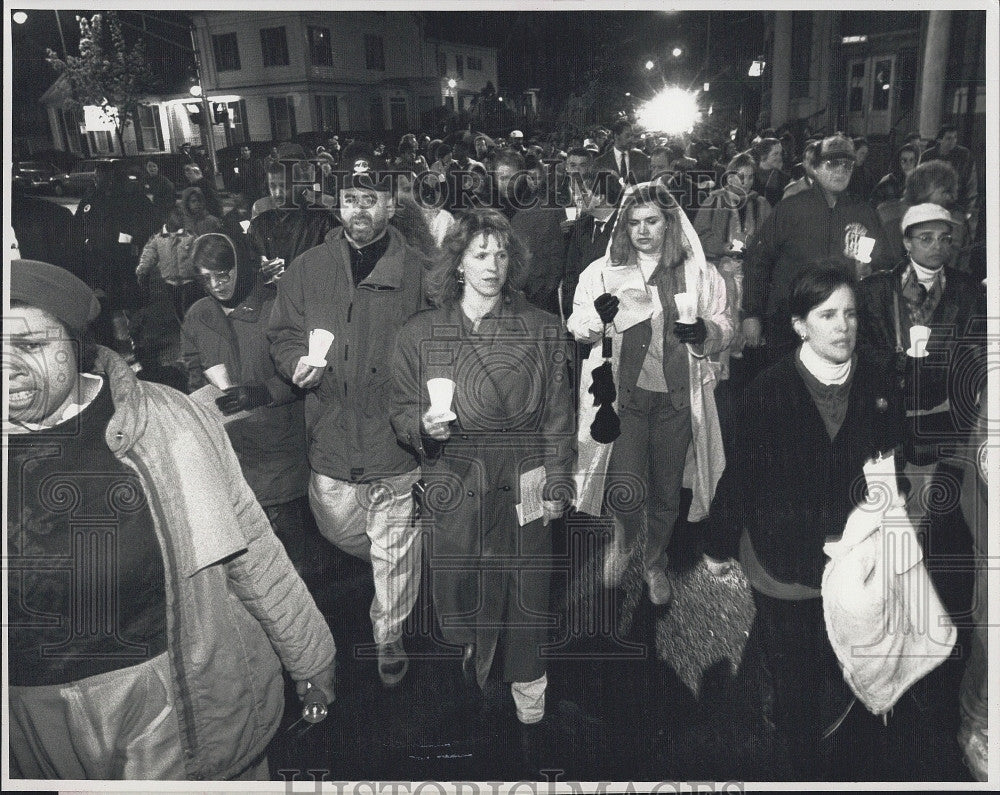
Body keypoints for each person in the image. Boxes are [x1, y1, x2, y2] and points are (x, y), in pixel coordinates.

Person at [6, 259, 335, 780]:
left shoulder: (163, 424)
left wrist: (311, 658)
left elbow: (249, 548)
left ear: (75, 344)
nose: (10, 368)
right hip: (30, 729)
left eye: (31, 346)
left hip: (178, 708)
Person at [707, 265, 903, 777]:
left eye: (851, 313)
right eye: (828, 314)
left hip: (858, 562)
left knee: (852, 671)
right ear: (800, 325)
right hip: (785, 566)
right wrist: (719, 544)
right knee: (795, 679)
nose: (844, 326)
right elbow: (743, 474)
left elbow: (892, 464)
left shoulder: (879, 380)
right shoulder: (768, 388)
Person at [390, 209, 575, 724]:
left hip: (523, 471)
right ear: (457, 265)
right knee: (458, 577)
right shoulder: (419, 333)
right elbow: (401, 408)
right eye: (480, 254)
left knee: (526, 581)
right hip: (454, 470)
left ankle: (527, 675)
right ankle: (474, 644)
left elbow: (559, 414)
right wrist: (424, 426)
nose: (493, 265)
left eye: (502, 254)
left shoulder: (541, 329)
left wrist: (559, 478)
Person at [268, 156, 430, 688]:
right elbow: (284, 332)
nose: (358, 210)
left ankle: (390, 632)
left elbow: (441, 339)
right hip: (332, 436)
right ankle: (398, 559)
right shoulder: (308, 268)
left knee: (393, 549)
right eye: (349, 200)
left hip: (393, 442)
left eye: (370, 199)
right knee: (337, 528)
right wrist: (295, 363)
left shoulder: (419, 273)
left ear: (390, 204)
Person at [567, 183, 731, 606]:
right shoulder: (602, 271)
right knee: (626, 484)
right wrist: (596, 319)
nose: (642, 231)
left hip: (677, 402)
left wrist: (708, 333)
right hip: (628, 401)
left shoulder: (698, 273)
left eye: (652, 222)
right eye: (634, 222)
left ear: (669, 222)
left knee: (665, 491)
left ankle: (655, 561)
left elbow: (723, 322)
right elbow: (577, 324)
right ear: (624, 225)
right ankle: (623, 543)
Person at [181, 233, 315, 575]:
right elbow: (193, 365)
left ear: (241, 266)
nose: (215, 286)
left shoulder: (276, 306)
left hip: (281, 448)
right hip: (233, 451)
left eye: (223, 275)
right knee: (252, 564)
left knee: (295, 558)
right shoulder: (199, 315)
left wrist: (262, 393)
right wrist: (202, 393)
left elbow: (305, 372)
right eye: (205, 278)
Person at [742, 134, 893, 363]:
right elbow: (758, 260)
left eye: (847, 165)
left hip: (841, 324)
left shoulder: (863, 213)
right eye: (832, 164)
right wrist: (752, 313)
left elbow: (883, 266)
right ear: (815, 167)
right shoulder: (791, 209)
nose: (840, 171)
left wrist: (866, 269)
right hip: (790, 322)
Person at [136, 207, 199, 322]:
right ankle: (181, 327)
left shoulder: (189, 237)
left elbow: (199, 253)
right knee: (174, 309)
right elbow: (149, 255)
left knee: (188, 308)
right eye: (177, 215)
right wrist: (142, 270)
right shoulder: (158, 239)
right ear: (166, 219)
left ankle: (188, 326)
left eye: (181, 215)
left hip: (188, 281)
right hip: (169, 282)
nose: (181, 218)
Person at [919, 124, 978, 243]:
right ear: (940, 140)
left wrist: (968, 209)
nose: (953, 141)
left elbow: (971, 184)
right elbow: (920, 183)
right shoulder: (928, 156)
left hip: (957, 206)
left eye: (955, 137)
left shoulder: (964, 156)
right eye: (949, 138)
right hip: (933, 206)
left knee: (954, 241)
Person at [595, 119, 651, 185]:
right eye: (627, 135)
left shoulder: (642, 159)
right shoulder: (601, 162)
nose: (631, 139)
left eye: (632, 135)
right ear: (616, 136)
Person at [870, 143, 920, 207]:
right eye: (904, 160)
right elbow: (874, 205)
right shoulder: (887, 182)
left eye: (911, 160)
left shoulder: (920, 182)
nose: (908, 164)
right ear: (898, 162)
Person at [140, 159, 177, 236]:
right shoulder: (144, 181)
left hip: (162, 216)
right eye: (149, 166)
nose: (152, 168)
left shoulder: (165, 182)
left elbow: (170, 199)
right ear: (146, 168)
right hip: (148, 217)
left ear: (158, 168)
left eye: (154, 166)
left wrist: (154, 199)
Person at [750, 136, 788, 207]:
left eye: (780, 153)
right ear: (763, 155)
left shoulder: (784, 179)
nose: (779, 157)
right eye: (775, 154)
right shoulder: (750, 176)